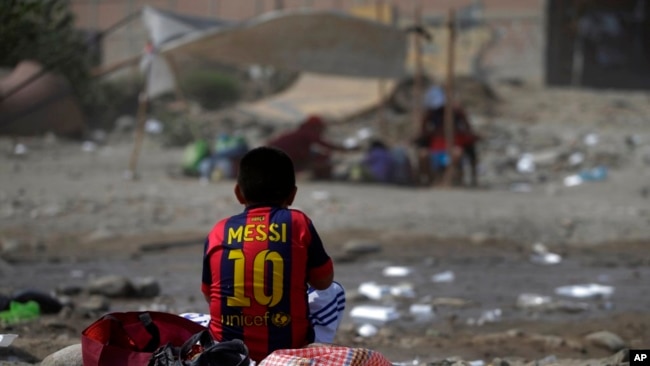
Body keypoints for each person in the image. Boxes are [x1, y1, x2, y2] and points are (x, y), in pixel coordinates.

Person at [201, 146, 345, 362]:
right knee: (335, 291)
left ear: (239, 193)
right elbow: (324, 282)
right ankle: (311, 351)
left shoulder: (219, 231)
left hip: (228, 354)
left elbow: (208, 294)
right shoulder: (298, 223)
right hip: (287, 352)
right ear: (293, 194)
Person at [418, 85, 480, 187]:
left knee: (458, 152)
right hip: (436, 150)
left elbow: (467, 129)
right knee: (423, 154)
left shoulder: (456, 112)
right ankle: (430, 180)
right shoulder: (431, 114)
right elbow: (423, 131)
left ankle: (451, 179)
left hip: (451, 149)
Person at [267, 115, 355, 180]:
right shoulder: (308, 132)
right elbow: (324, 144)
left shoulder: (301, 132)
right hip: (281, 157)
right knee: (319, 161)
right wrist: (343, 149)